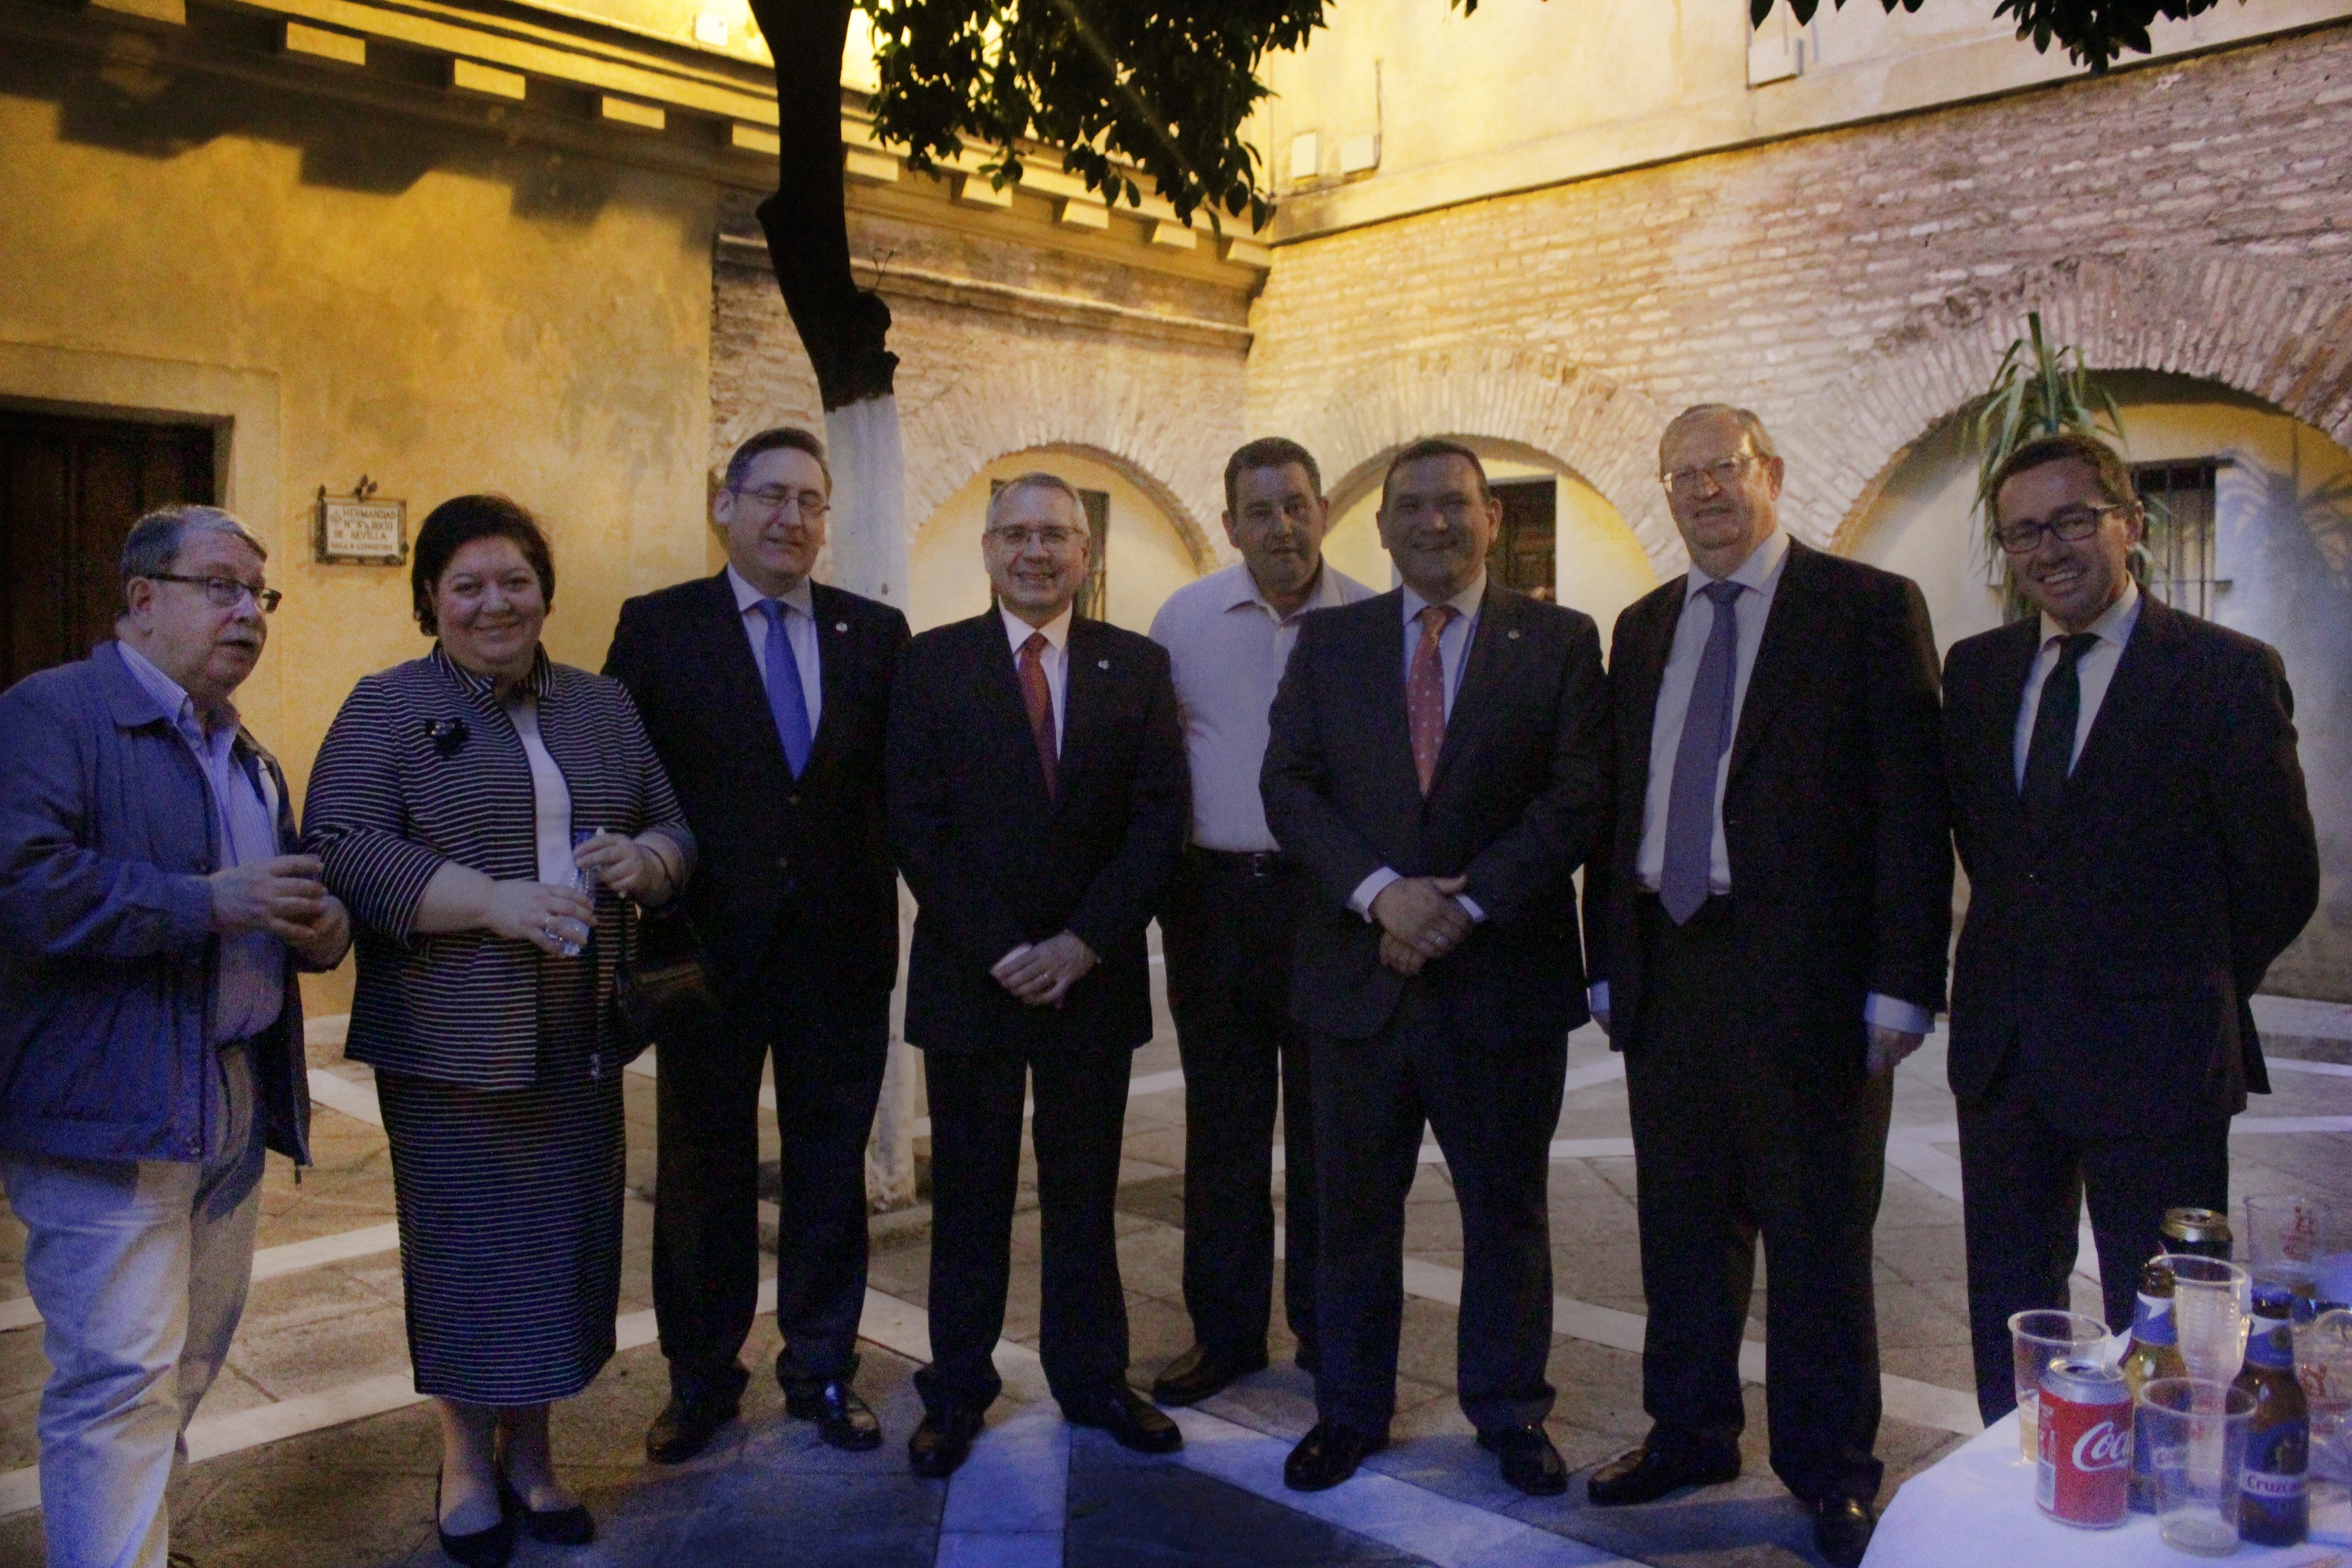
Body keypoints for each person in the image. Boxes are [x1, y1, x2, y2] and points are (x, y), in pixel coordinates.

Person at [1580, 406, 1948, 1568]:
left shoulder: (1866, 608)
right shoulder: (1643, 626)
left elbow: (1911, 809)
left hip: (1810, 975)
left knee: (1819, 1232)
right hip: (1670, 960)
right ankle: (1689, 1432)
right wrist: (1607, 960)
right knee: (1681, 1226)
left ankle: (1831, 1468)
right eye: (1681, 474)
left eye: (1723, 468)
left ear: (1770, 473)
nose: (1703, 491)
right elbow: (1619, 807)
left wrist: (1903, 986)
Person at [304, 496, 693, 1567]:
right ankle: (465, 1464)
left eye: (514, 580)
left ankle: (535, 1457)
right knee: (467, 1256)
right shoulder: (387, 705)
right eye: (467, 584)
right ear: (429, 596)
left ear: (545, 593)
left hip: (579, 1034)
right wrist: (488, 901)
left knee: (561, 1255)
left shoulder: (602, 704)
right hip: (451, 1039)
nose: (494, 603)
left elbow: (672, 825)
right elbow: (339, 844)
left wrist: (648, 862)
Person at [1944, 429, 2318, 1421]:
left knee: (2166, 1335)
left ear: (2131, 523)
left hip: (2158, 1059)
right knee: (2009, 1318)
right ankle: (2018, 1480)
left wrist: (2183, 981)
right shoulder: (1977, 673)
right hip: (2006, 1055)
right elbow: (1995, 850)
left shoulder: (2222, 672)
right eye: (2023, 532)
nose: (2049, 550)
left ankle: (2159, 1492)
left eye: (2072, 520)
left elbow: (2279, 876)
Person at [0, 505, 348, 1568]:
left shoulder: (247, 753)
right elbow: (24, 888)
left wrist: (320, 931)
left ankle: (136, 1544)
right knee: (118, 1380)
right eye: (221, 587)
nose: (249, 612)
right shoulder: (51, 713)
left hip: (229, 1097)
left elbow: (269, 907)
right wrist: (208, 902)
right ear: (142, 598)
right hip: (108, 1105)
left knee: (187, 1364)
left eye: (260, 593)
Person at [1260, 437, 1609, 1496]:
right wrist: (1381, 894)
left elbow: (1578, 795)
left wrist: (1465, 903)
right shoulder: (1330, 643)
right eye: (1410, 506)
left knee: (1506, 1213)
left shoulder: (1558, 641)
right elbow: (1289, 787)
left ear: (1492, 518)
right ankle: (1349, 1410)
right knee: (1349, 1214)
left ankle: (1510, 1413)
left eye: (1455, 503)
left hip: (1500, 983)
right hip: (1357, 981)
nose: (1433, 523)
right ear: (1379, 527)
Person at [604, 426, 910, 1461]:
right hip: (704, 952)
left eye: (810, 501)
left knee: (830, 1171)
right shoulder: (659, 627)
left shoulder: (877, 633)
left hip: (841, 956)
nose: (791, 517)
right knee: (701, 1177)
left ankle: (822, 1368)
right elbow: (620, 777)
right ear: (724, 506)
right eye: (771, 495)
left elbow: (902, 788)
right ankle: (700, 1380)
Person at [886, 472, 1190, 1478]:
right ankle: (956, 1389)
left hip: (1090, 980)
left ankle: (1093, 1378)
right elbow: (914, 820)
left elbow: (1158, 819)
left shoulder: (1136, 666)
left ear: (1084, 552)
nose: (1035, 552)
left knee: (1084, 1196)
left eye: (1055, 534)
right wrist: (1000, 948)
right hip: (972, 977)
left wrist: (1084, 941)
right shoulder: (931, 665)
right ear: (987, 550)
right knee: (969, 1198)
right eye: (1014, 533)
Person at [1145, 437, 1373, 1407]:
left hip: (1331, 907)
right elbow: (1158, 760)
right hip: (1217, 905)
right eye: (1259, 511)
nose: (1281, 527)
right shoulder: (1184, 621)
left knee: (1333, 1131)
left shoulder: (1369, 619)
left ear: (1321, 510)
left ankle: (1327, 1329)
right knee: (1224, 1131)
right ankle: (1227, 1332)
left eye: (1296, 505)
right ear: (1230, 523)